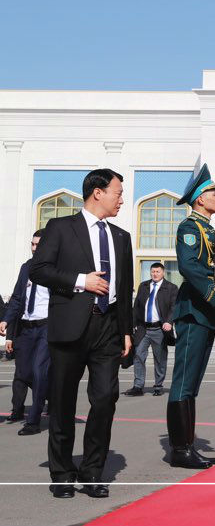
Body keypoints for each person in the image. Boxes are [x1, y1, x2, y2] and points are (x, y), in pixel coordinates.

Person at [30, 168, 133, 499]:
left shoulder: (121, 237)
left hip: (108, 329)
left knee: (104, 400)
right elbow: (39, 269)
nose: (121, 199)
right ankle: (61, 473)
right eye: (118, 192)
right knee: (62, 403)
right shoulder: (61, 228)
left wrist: (126, 330)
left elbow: (125, 287)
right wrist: (80, 280)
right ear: (98, 192)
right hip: (71, 327)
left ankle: (92, 472)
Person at [166, 163, 215, 469]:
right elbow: (190, 268)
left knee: (192, 384)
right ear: (198, 199)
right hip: (193, 310)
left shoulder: (208, 229)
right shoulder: (190, 228)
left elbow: (207, 267)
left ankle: (187, 444)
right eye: (212, 192)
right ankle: (180, 449)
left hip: (204, 313)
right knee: (183, 383)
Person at [1, 230, 51, 435]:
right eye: (32, 244)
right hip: (26, 328)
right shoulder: (26, 268)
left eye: (38, 245)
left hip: (47, 327)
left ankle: (33, 420)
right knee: (24, 372)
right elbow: (17, 297)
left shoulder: (55, 269)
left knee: (39, 371)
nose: (34, 248)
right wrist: (6, 319)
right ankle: (54, 394)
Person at [125, 262, 177, 397]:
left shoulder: (171, 288)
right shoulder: (144, 286)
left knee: (160, 359)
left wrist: (169, 322)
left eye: (157, 271)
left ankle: (158, 385)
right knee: (138, 356)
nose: (155, 274)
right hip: (143, 328)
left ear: (163, 272)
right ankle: (138, 386)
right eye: (153, 271)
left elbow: (174, 307)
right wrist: (132, 324)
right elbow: (136, 307)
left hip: (159, 329)